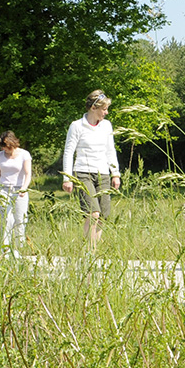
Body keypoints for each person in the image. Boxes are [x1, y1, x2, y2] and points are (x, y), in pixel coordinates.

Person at [61, 90, 122, 249]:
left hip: (103, 173)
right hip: (83, 173)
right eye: (104, 109)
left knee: (102, 215)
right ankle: (89, 251)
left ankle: (95, 249)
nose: (106, 112)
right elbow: (69, 152)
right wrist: (67, 178)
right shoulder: (76, 126)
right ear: (94, 108)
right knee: (93, 213)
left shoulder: (107, 125)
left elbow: (110, 150)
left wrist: (115, 174)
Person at [0, 130, 32, 248]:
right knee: (6, 219)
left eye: (6, 147)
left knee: (20, 218)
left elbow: (28, 173)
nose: (4, 150)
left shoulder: (24, 154)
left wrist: (24, 188)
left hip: (19, 189)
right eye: (2, 147)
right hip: (3, 189)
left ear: (12, 144)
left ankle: (19, 246)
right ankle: (5, 246)